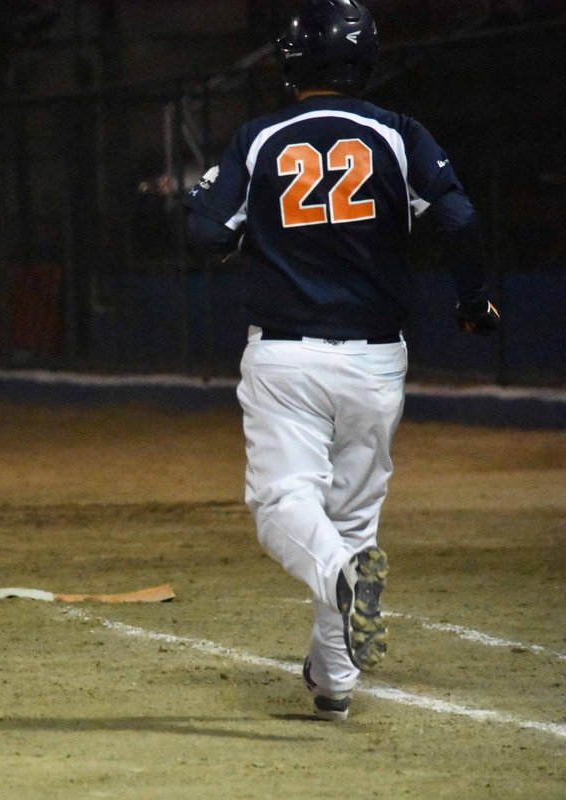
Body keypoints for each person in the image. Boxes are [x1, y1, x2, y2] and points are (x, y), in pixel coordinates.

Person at [184, 0, 500, 720]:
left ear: (293, 60)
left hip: (286, 355)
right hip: (376, 361)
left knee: (282, 505)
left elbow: (207, 234)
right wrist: (473, 301)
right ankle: (334, 685)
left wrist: (226, 208)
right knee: (353, 522)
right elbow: (458, 217)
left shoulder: (260, 136)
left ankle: (339, 579)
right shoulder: (398, 132)